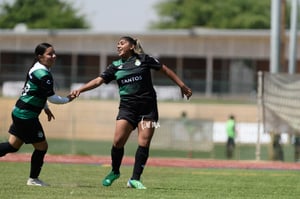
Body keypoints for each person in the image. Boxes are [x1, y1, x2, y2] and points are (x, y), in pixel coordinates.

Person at [71, 36, 192, 189]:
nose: (118, 46)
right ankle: (115, 171)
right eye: (117, 44)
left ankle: (135, 179)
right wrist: (80, 90)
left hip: (148, 108)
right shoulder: (115, 66)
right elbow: (98, 81)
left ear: (132, 46)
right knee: (118, 142)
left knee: (144, 142)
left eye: (122, 43)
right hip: (127, 108)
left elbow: (165, 70)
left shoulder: (144, 59)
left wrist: (182, 86)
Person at [0, 42, 75, 186]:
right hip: (26, 116)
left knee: (12, 146)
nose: (54, 56)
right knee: (42, 147)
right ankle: (33, 179)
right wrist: (69, 98)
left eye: (54, 53)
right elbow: (53, 98)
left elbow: (36, 92)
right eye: (50, 54)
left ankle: (33, 179)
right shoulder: (43, 73)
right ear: (40, 57)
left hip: (19, 112)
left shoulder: (36, 68)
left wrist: (45, 107)